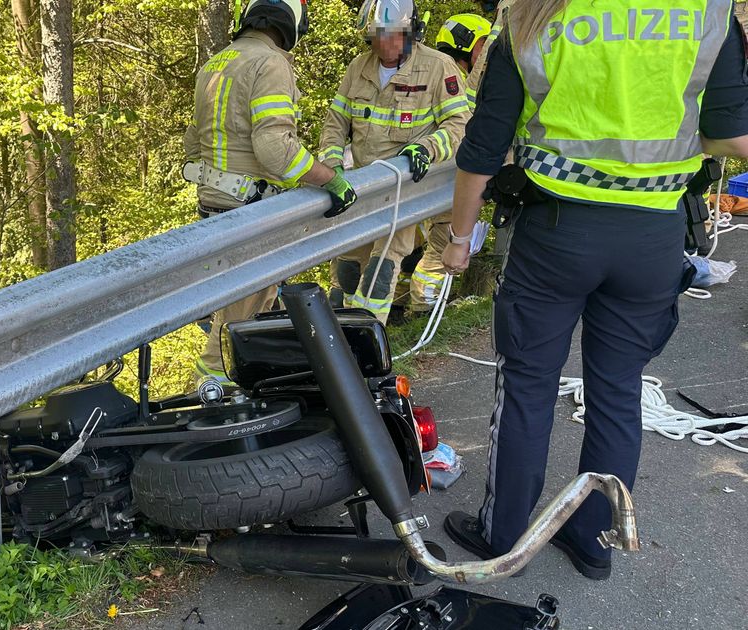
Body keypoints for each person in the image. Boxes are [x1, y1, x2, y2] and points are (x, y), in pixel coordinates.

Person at [440, 0, 748, 580]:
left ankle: (503, 536)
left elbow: (484, 146)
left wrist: (460, 237)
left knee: (528, 385)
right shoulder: (707, 13)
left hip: (557, 235)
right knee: (617, 390)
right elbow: (733, 136)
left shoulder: (533, 13)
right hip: (652, 237)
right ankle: (593, 539)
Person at [183, 0, 357, 382]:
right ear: (290, 23)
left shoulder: (217, 61)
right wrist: (329, 178)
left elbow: (193, 143)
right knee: (232, 330)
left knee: (248, 312)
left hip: (214, 206)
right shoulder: (270, 62)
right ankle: (214, 397)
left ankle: (246, 391)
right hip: (250, 212)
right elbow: (275, 148)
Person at [319, 0, 470, 322]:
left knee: (382, 268)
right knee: (346, 268)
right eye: (377, 37)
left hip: (405, 188)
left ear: (410, 31)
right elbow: (335, 124)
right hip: (362, 187)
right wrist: (331, 167)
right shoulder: (358, 68)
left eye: (392, 36)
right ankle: (338, 338)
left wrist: (426, 148)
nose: (384, 45)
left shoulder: (438, 67)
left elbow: (459, 124)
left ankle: (368, 341)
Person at [403, 13, 493, 316]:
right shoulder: (458, 77)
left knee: (410, 249)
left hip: (419, 177)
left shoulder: (429, 68)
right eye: (483, 43)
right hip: (445, 181)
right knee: (440, 253)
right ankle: (424, 312)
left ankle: (404, 305)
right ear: (469, 44)